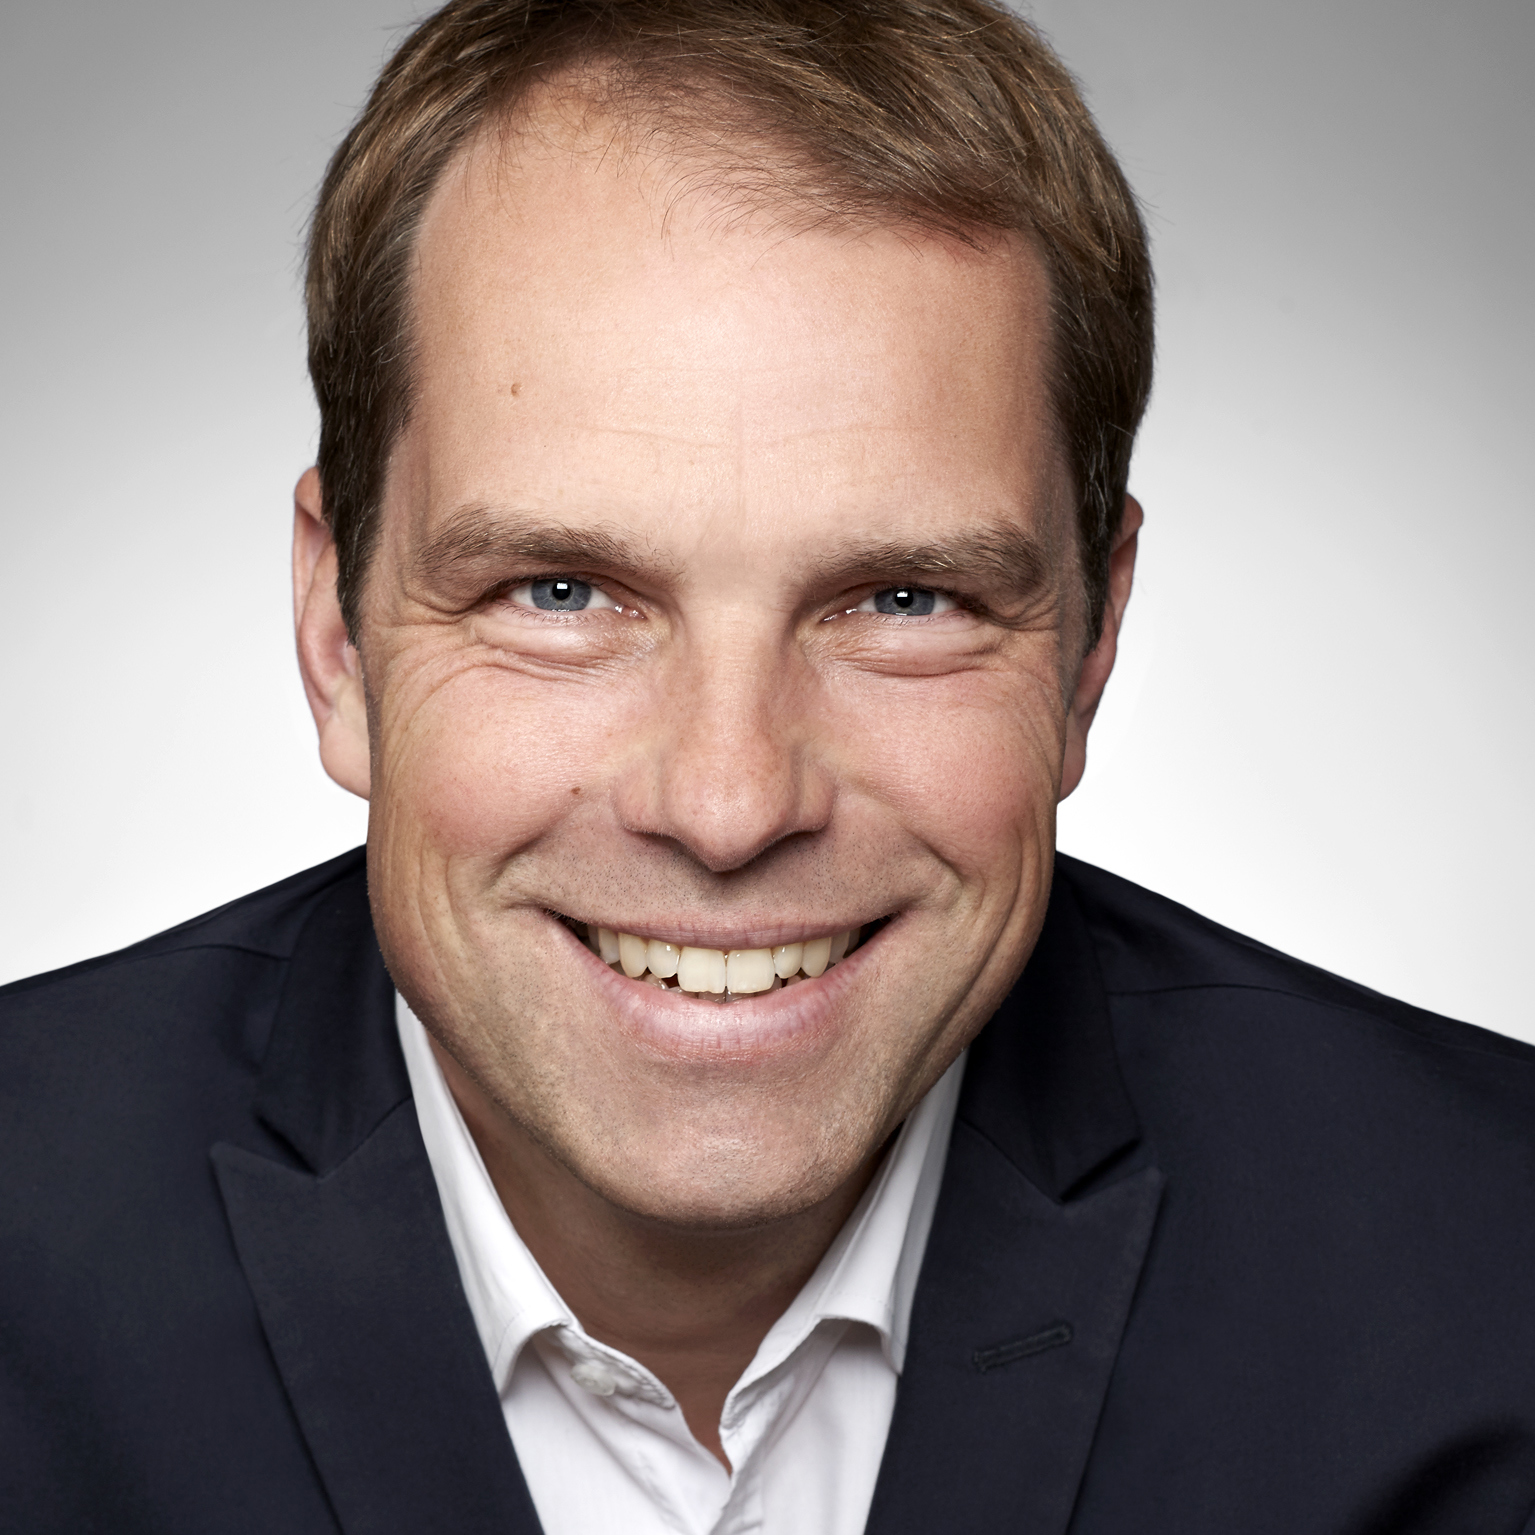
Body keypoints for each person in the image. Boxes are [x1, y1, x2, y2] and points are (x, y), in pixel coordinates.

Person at [3, 1, 1534, 1531]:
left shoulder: (1489, 1269)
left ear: (1089, 643)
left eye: (904, 600)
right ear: (337, 634)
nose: (729, 808)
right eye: (560, 592)